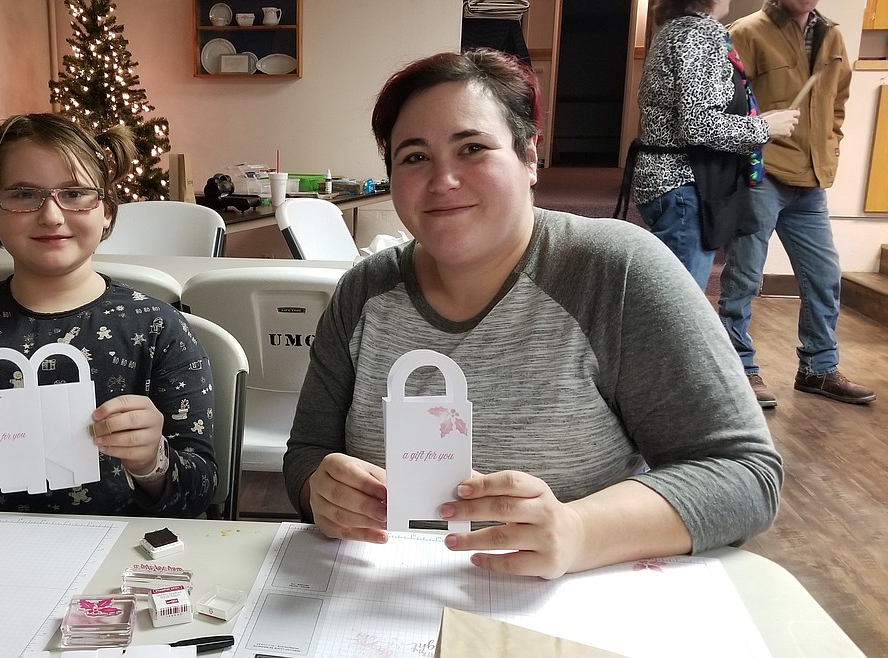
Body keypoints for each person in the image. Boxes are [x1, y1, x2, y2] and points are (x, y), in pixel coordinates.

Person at [283, 49, 783, 580]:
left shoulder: (616, 272)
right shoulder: (364, 291)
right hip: (373, 608)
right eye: (414, 157)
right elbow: (307, 455)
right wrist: (323, 492)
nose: (443, 180)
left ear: (529, 157)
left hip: (569, 607)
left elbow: (744, 474)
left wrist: (578, 531)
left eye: (472, 148)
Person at [0, 113, 218, 516]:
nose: (52, 215)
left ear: (106, 210)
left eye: (75, 193)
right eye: (23, 194)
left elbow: (200, 491)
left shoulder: (159, 329)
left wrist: (151, 461)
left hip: (119, 554)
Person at [718, 0, 875, 408]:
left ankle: (818, 370)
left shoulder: (833, 36)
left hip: (813, 178)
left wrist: (830, 145)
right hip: (763, 175)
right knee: (744, 280)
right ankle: (740, 369)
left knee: (824, 277)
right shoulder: (746, 32)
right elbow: (727, 108)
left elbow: (837, 103)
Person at [626, 0, 799, 290]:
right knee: (679, 309)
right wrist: (764, 128)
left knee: (666, 302)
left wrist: (756, 121)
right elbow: (698, 125)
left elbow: (698, 114)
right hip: (683, 185)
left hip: (670, 183)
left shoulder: (676, 29)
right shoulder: (699, 34)